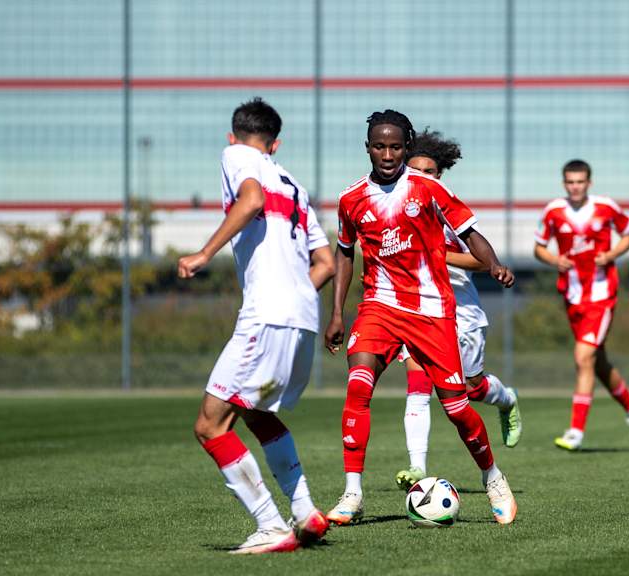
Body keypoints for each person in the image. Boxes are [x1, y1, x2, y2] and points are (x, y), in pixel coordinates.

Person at [324, 110, 518, 526]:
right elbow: (344, 252)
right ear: (368, 148)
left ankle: (493, 477)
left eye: (395, 147)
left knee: (457, 407)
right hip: (379, 306)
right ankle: (352, 493)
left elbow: (469, 233)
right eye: (379, 146)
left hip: (431, 311)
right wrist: (337, 312)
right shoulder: (351, 198)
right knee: (358, 385)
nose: (387, 154)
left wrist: (495, 264)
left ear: (406, 148)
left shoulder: (428, 188)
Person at [179, 98, 335, 554]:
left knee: (210, 425)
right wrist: (295, 295)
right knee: (255, 412)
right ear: (275, 143)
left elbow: (251, 201)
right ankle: (304, 512)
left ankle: (270, 525)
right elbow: (325, 263)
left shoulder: (237, 155)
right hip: (302, 316)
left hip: (267, 313)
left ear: (234, 137)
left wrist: (204, 254)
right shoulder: (295, 185)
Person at [394, 129, 522, 492]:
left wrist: (437, 254)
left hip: (462, 312)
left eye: (429, 171)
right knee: (418, 383)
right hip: (418, 310)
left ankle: (507, 400)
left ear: (440, 175)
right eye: (414, 170)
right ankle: (417, 467)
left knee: (470, 388)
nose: (421, 176)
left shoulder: (448, 209)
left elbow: (482, 260)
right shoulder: (396, 208)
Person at [533, 159, 629, 451]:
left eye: (580, 182)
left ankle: (575, 432)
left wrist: (610, 255)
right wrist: (554, 260)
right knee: (598, 363)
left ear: (589, 183)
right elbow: (539, 248)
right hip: (572, 296)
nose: (575, 187)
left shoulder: (606, 207)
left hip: (601, 295)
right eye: (570, 182)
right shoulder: (553, 211)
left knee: (583, 357)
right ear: (564, 184)